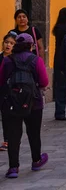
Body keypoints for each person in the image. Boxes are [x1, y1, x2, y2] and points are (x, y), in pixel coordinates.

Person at [0, 33, 49, 178]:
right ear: (31, 46)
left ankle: (13, 167)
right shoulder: (36, 60)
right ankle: (36, 160)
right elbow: (44, 81)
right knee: (33, 132)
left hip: (12, 102)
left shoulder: (8, 60)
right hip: (33, 101)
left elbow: (1, 80)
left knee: (14, 135)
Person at [0, 31, 17, 151]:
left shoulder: (15, 59)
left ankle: (7, 140)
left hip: (10, 92)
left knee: (7, 117)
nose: (8, 45)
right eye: (6, 42)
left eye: (11, 43)